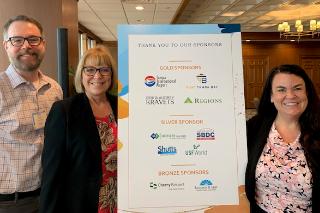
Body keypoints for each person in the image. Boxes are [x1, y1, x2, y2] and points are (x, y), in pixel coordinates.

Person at [39, 45, 118, 213]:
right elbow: (53, 173)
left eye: (104, 69)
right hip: (83, 205)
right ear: (81, 74)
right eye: (90, 69)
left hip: (121, 202)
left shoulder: (122, 107)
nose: (97, 76)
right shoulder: (64, 111)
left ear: (111, 74)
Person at [0, 15, 63, 213]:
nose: (26, 46)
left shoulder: (54, 88)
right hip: (10, 203)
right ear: (6, 46)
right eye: (17, 40)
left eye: (33, 39)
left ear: (43, 43)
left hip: (50, 196)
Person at [245, 64, 320, 212]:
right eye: (281, 90)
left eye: (297, 88)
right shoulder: (255, 126)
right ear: (271, 96)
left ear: (308, 94)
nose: (291, 95)